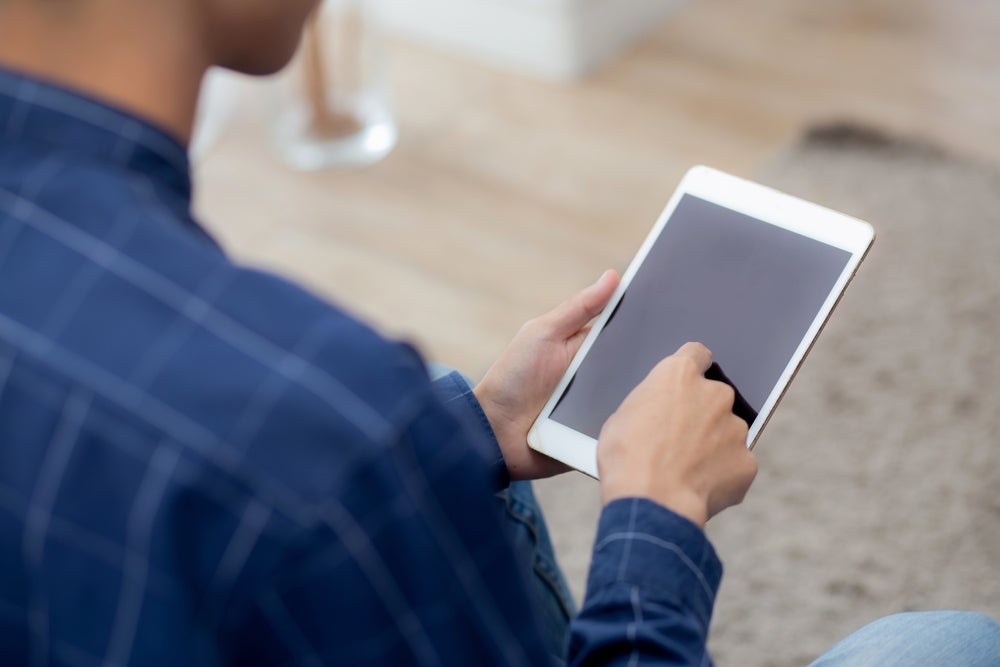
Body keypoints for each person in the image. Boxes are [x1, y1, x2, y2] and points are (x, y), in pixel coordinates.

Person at [0, 1, 996, 665]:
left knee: (438, 416)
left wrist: (467, 430)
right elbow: (323, 453)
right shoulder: (323, 430)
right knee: (954, 645)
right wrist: (656, 515)